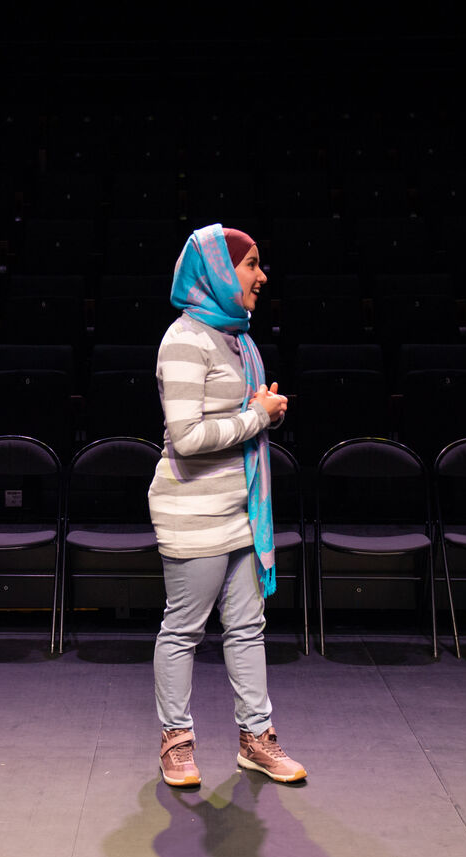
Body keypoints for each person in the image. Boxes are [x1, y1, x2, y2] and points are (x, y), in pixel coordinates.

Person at [148, 224, 305, 787]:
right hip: (194, 513)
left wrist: (264, 412)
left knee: (246, 628)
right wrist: (258, 416)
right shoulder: (184, 340)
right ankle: (176, 741)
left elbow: (236, 421)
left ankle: (255, 739)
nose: (261, 276)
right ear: (217, 272)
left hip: (240, 511)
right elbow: (187, 437)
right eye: (251, 264)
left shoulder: (239, 339)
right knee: (183, 631)